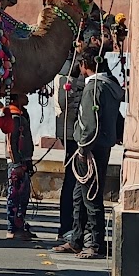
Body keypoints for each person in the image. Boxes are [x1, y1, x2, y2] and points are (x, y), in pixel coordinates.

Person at [61, 52, 124, 258]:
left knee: (91, 196)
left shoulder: (93, 88)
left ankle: (95, 243)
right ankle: (77, 239)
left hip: (90, 148)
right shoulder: (110, 86)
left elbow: (89, 121)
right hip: (102, 144)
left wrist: (83, 147)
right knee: (79, 195)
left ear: (84, 65)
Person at [53, 53, 85, 247]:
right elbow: (65, 104)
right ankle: (67, 227)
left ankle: (72, 226)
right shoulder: (68, 71)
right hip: (73, 134)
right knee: (73, 181)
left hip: (73, 133)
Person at [4, 95, 36, 241]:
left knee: (23, 198)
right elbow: (11, 142)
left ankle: (20, 225)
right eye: (23, 95)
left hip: (24, 162)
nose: (27, 97)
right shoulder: (13, 116)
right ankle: (12, 229)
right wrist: (16, 164)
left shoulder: (22, 114)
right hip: (16, 164)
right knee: (14, 197)